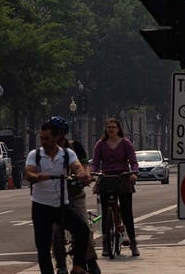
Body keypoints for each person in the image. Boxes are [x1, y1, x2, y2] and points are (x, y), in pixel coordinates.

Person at [25, 122, 91, 274]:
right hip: (41, 206)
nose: (44, 142)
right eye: (42, 138)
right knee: (43, 247)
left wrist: (82, 174)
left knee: (82, 229)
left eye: (47, 138)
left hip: (62, 205)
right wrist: (37, 177)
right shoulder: (35, 155)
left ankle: (78, 266)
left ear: (56, 138)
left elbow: (77, 166)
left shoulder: (67, 154)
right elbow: (28, 173)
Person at [48, 116, 101, 274]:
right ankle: (61, 264)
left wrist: (84, 175)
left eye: (58, 133)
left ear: (63, 133)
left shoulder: (75, 147)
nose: (55, 137)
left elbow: (83, 165)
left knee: (84, 227)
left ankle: (90, 261)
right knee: (53, 230)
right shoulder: (45, 151)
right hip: (54, 197)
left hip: (74, 194)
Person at [90, 118, 140, 257]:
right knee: (106, 212)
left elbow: (133, 162)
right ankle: (106, 243)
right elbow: (95, 162)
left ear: (118, 129)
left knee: (127, 212)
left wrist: (134, 173)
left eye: (113, 127)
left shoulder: (125, 143)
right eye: (108, 127)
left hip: (123, 177)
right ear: (105, 129)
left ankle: (133, 243)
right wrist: (92, 172)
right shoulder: (100, 144)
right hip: (106, 177)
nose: (111, 129)